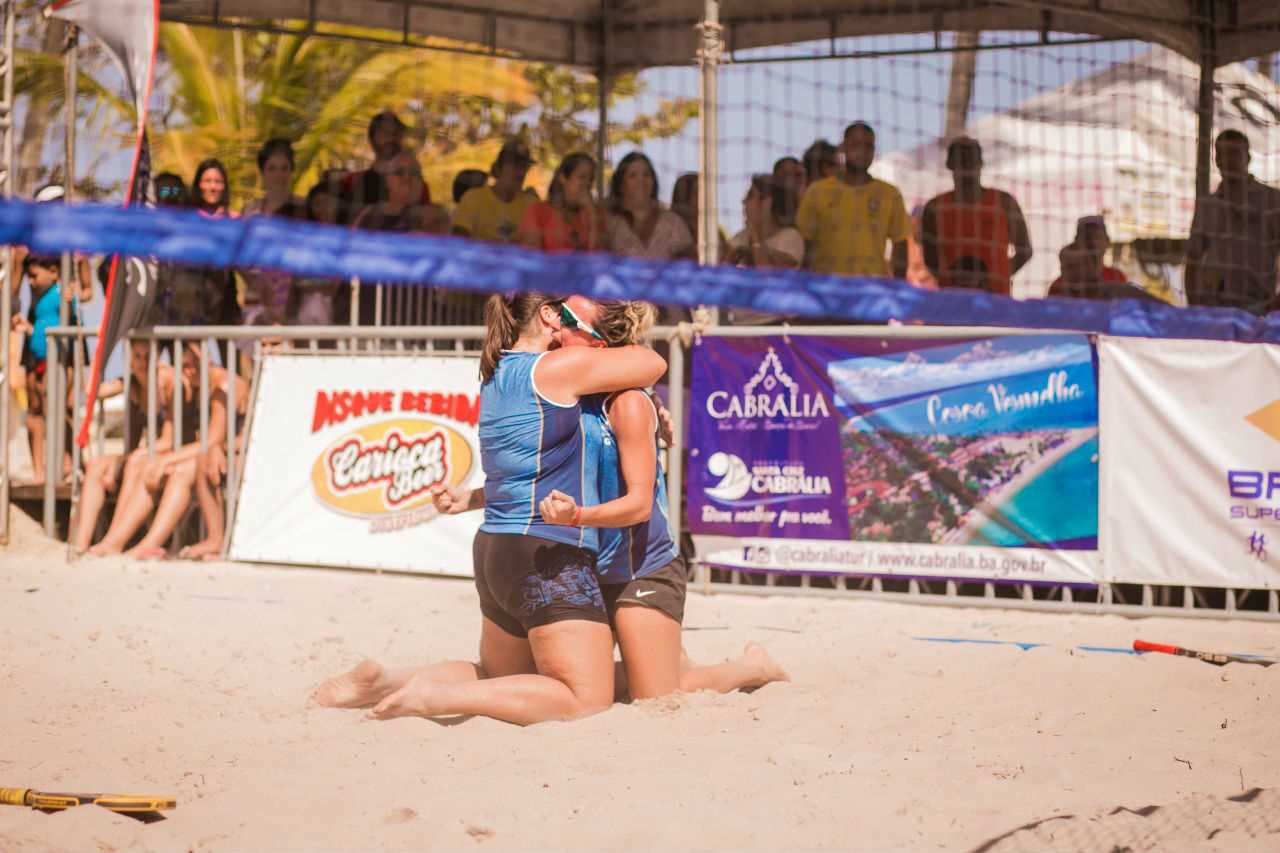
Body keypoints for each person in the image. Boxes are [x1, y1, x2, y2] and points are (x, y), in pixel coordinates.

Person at [315, 292, 667, 725]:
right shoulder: (555, 370)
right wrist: (603, 340)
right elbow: (653, 364)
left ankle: (385, 681)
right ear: (547, 316)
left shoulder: (495, 372)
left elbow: (521, 474)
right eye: (566, 316)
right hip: (546, 550)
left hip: (494, 548)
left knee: (499, 676)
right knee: (584, 698)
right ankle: (435, 697)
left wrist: (470, 499)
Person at [71, 340, 176, 553]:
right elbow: (92, 392)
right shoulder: (133, 384)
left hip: (173, 452)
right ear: (128, 360)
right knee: (97, 466)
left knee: (135, 463)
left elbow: (171, 439)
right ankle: (80, 544)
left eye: (148, 356)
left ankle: (113, 540)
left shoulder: (167, 382)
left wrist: (130, 458)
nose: (143, 362)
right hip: (150, 452)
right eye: (137, 357)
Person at [795, 122, 910, 278]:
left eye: (868, 146)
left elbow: (900, 244)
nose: (862, 151)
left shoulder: (890, 194)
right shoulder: (818, 191)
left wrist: (898, 287)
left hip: (872, 289)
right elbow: (805, 244)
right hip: (827, 288)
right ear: (843, 148)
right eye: (856, 145)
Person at [920, 137, 1032, 294]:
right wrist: (959, 283)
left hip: (995, 300)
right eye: (961, 159)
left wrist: (998, 276)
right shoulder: (934, 208)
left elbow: (1024, 251)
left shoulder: (1004, 202)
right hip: (952, 301)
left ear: (981, 162)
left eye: (971, 158)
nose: (967, 164)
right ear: (949, 164)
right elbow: (930, 259)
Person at [349, 149, 450, 325]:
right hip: (372, 316)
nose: (407, 178)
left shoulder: (435, 215)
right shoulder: (368, 215)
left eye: (415, 173)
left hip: (419, 319)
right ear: (387, 180)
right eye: (399, 173)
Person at [1185, 130, 1280, 314]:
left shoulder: (1273, 200)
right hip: (1215, 306)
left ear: (1248, 158)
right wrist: (1194, 305)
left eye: (1235, 154)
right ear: (1216, 159)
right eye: (1222, 154)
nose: (1228, 160)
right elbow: (1193, 258)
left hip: (1261, 306)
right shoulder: (1208, 205)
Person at [10, 254, 79, 485]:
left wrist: (71, 298)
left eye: (34, 276)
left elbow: (71, 323)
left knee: (58, 409)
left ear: (53, 272)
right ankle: (38, 469)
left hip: (57, 358)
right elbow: (41, 329)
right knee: (34, 412)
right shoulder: (36, 300)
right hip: (36, 356)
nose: (30, 282)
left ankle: (68, 463)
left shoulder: (62, 294)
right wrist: (26, 327)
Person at [241, 139, 304, 325]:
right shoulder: (250, 211)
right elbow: (239, 256)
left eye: (285, 168)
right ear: (263, 172)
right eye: (272, 168)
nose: (279, 175)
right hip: (258, 295)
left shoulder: (304, 208)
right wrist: (255, 280)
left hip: (295, 296)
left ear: (292, 171)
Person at [339, 110, 429, 223]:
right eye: (385, 132)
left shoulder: (416, 183)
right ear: (372, 138)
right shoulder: (352, 182)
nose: (391, 138)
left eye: (397, 133)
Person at [605, 151, 694, 260]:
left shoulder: (673, 223)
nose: (641, 180)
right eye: (633, 176)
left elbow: (687, 265)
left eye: (646, 175)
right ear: (621, 185)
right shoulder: (609, 224)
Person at [517, 152, 606, 252]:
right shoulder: (538, 212)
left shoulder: (596, 214)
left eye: (591, 179)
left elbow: (599, 258)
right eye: (582, 177)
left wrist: (593, 218)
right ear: (563, 178)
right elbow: (531, 255)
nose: (587, 184)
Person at [452, 139, 536, 243]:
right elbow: (458, 242)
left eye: (524, 167)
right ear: (497, 169)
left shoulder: (532, 205)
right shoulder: (473, 199)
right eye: (514, 165)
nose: (520, 173)